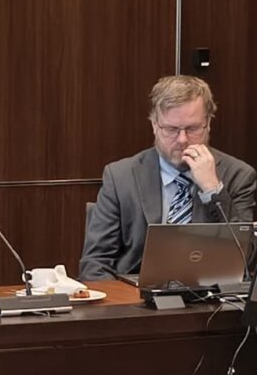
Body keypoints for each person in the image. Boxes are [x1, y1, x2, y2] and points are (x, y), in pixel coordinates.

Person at [80, 75, 256, 280]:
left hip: (210, 298)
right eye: (172, 129)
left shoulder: (238, 175)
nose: (183, 140)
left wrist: (213, 189)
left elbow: (246, 260)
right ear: (154, 124)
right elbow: (95, 264)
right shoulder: (120, 177)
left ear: (208, 123)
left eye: (192, 128)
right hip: (136, 298)